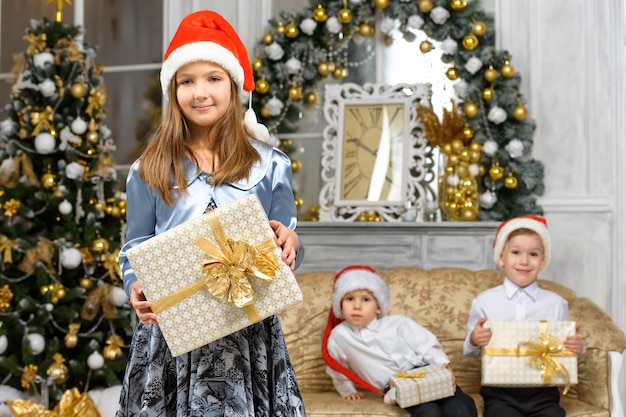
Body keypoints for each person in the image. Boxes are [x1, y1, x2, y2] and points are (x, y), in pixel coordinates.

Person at [116, 10, 306, 416]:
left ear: (234, 85)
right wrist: (135, 286)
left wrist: (291, 243)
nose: (199, 92)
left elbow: (285, 241)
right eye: (187, 81)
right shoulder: (148, 169)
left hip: (247, 335)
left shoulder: (270, 165)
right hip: (170, 336)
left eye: (213, 78)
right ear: (174, 90)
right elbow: (134, 247)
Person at [464, 215, 586, 417]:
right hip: (499, 393)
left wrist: (577, 347)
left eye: (533, 254)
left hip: (543, 393)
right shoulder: (484, 302)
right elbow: (470, 349)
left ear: (543, 262)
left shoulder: (556, 303)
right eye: (515, 252)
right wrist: (475, 339)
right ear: (501, 257)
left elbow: (562, 348)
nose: (524, 261)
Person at [322, 265, 478, 417]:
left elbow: (426, 345)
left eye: (365, 299)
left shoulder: (398, 323)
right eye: (349, 299)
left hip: (427, 371)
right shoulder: (340, 336)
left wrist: (443, 365)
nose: (357, 306)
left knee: (459, 405)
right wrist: (348, 390)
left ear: (378, 307)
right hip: (398, 386)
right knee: (428, 411)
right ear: (340, 305)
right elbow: (335, 365)